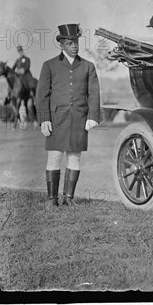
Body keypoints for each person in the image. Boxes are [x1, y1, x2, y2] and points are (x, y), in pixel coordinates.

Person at [35, 24, 101, 210]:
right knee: (54, 157)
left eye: (76, 42)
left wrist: (93, 116)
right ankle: (51, 200)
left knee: (74, 158)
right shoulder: (49, 65)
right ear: (61, 44)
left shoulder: (88, 66)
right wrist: (44, 118)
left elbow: (94, 93)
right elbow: (42, 95)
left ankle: (68, 198)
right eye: (70, 42)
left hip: (79, 119)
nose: (74, 46)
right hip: (56, 120)